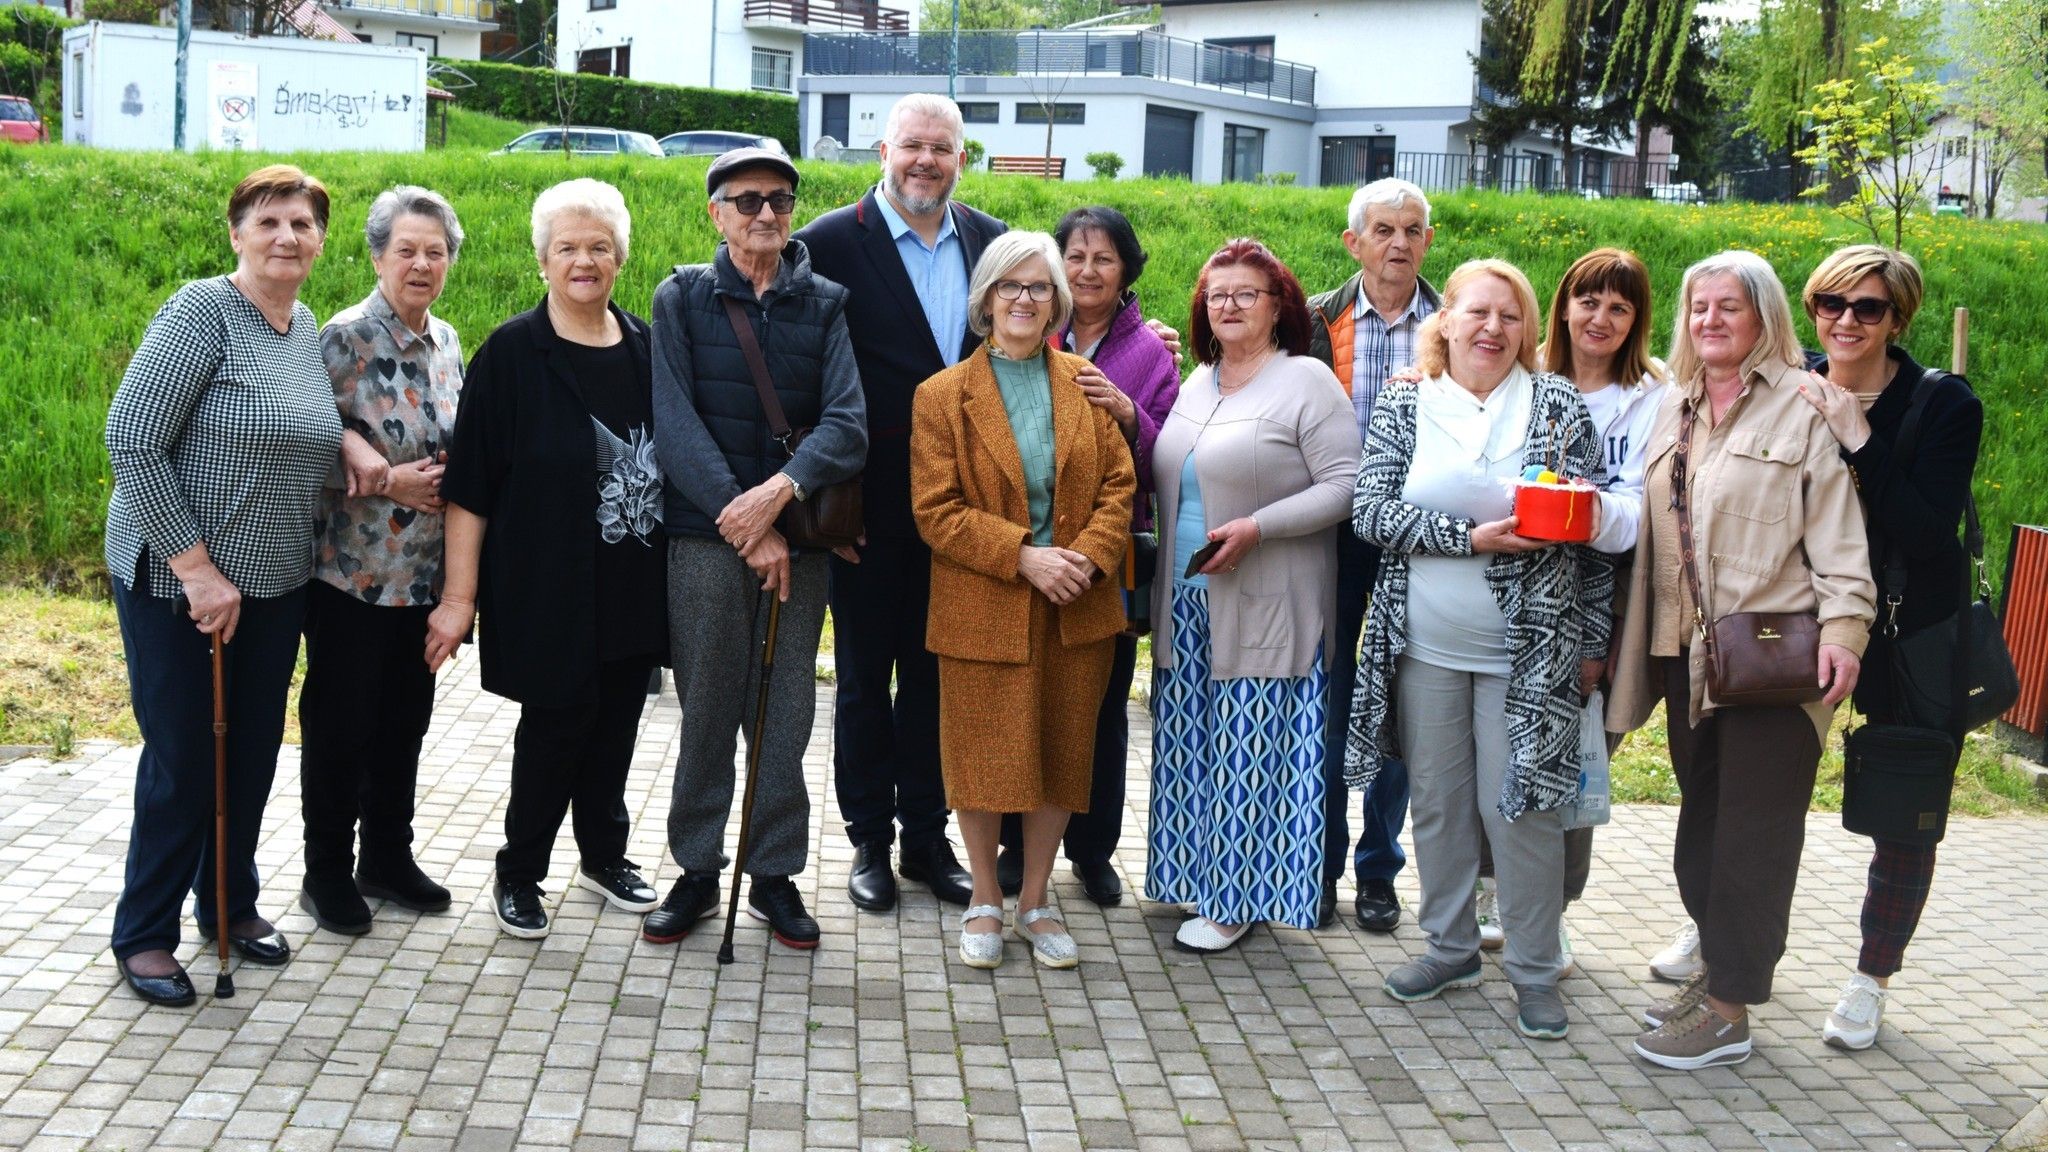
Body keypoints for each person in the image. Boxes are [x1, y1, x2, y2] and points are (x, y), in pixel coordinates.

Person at [1608, 249, 1875, 1069]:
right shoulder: (1673, 408)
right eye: (1699, 308)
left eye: (1730, 306)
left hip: (1773, 656)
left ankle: (1728, 1013)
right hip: (1688, 658)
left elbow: (1841, 540)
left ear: (1764, 318)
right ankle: (1718, 973)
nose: (1711, 321)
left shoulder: (1805, 408)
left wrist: (1845, 634)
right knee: (1705, 824)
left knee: (1754, 838)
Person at [1344, 258, 1613, 1040]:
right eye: (1478, 313)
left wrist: (1593, 642)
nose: (1493, 329)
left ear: (1529, 330)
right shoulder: (1406, 402)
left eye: (1511, 316)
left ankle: (1533, 969)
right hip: (1423, 645)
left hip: (1528, 655)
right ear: (1447, 321)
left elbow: (1590, 537)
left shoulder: (1557, 403)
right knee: (1437, 802)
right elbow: (1370, 512)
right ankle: (1451, 948)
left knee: (1523, 810)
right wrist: (1469, 539)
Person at [103, 164, 343, 1005]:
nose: (287, 237)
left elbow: (306, 429)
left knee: (247, 754)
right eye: (268, 221)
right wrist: (197, 571)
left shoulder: (302, 322)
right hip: (178, 582)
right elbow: (131, 440)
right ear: (236, 233)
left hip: (276, 582)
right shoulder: (202, 312)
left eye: (302, 224)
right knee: (183, 756)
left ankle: (228, 906)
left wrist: (360, 457)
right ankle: (143, 934)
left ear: (319, 241)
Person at [429, 178, 666, 940]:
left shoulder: (646, 350)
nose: (584, 260)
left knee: (617, 726)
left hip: (630, 580)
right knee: (555, 729)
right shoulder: (510, 353)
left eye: (599, 246)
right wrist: (459, 601)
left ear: (621, 257)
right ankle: (519, 872)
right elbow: (469, 490)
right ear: (543, 261)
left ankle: (604, 858)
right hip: (544, 586)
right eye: (567, 247)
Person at [642, 148, 867, 950]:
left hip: (799, 544)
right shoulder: (682, 297)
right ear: (716, 213)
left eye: (778, 200)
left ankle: (773, 873)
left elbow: (847, 424)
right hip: (706, 541)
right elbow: (674, 423)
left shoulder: (828, 304)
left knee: (787, 713)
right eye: (746, 202)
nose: (764, 215)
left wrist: (780, 495)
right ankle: (697, 868)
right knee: (706, 706)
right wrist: (746, 523)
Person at [794, 93, 1005, 912]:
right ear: (883, 150)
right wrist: (823, 503)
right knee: (861, 685)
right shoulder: (827, 243)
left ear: (962, 158)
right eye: (912, 145)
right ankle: (868, 843)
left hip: (964, 513)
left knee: (936, 682)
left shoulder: (987, 241)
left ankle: (926, 836)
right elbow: (800, 379)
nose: (926, 161)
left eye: (942, 149)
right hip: (867, 515)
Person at [910, 231, 1136, 968]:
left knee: (1064, 755)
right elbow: (935, 510)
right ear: (985, 298)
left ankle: (1036, 899)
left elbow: (1120, 487)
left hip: (1078, 603)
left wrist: (1089, 561)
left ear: (1058, 303)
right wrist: (1023, 557)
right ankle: (983, 896)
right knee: (981, 755)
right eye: (1011, 286)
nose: (1025, 300)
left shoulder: (1084, 382)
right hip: (986, 601)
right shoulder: (942, 396)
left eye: (1040, 288)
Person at [1149, 239, 1361, 953]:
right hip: (1187, 599)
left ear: (1280, 308)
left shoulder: (1306, 380)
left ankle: (1236, 899)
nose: (1228, 306)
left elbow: (1346, 488)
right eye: (1217, 294)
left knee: (1252, 745)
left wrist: (1260, 527)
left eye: (1246, 294)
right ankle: (1191, 873)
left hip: (1269, 597)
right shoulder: (1198, 380)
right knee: (1192, 742)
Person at [1468, 248, 1668, 973]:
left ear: (1637, 320)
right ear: (1564, 305)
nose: (1601, 318)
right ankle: (1491, 889)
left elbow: (1642, 516)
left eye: (1620, 307)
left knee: (1576, 759)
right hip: (1513, 583)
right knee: (1496, 747)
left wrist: (1575, 514)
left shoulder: (1653, 397)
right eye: (1589, 301)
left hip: (1609, 593)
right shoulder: (1525, 377)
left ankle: (1551, 909)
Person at [1810, 247, 1982, 1049]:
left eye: (1867, 308)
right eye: (1830, 304)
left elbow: (1925, 530)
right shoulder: (1795, 380)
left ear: (1898, 318)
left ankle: (1870, 978)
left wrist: (1857, 435)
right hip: (1805, 621)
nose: (1846, 322)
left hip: (1910, 633)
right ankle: (1722, 936)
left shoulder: (1944, 404)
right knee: (1758, 784)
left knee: (1904, 815)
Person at [992, 205, 1181, 907]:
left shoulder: (1153, 354)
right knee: (1024, 697)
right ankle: (1014, 844)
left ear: (1127, 268)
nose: (1087, 270)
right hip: (1028, 552)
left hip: (1111, 550)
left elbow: (1174, 455)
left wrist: (1131, 415)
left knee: (1099, 706)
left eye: (1104, 258)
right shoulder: (1034, 330)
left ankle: (1093, 850)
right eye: (1074, 256)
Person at [298, 185, 467, 937]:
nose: (422, 263)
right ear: (376, 255)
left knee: (405, 725)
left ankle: (386, 860)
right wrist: (386, 478)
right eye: (407, 249)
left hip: (425, 580)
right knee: (340, 729)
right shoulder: (340, 339)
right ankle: (326, 872)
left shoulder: (450, 342)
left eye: (436, 251)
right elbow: (299, 443)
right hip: (350, 577)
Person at [1306, 178, 1440, 933]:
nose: (1399, 243)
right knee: (1328, 698)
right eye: (1383, 229)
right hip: (1330, 536)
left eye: (1412, 230)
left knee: (1397, 706)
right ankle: (1317, 866)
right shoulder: (1316, 319)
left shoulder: (1455, 324)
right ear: (1354, 242)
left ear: (1428, 240)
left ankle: (1379, 870)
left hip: (1415, 541)